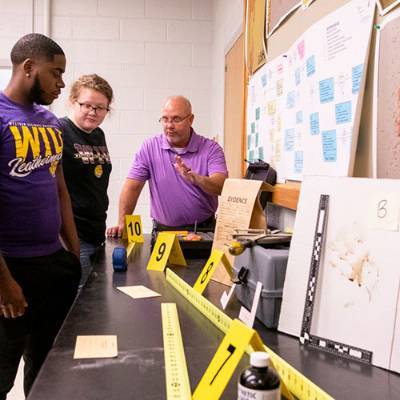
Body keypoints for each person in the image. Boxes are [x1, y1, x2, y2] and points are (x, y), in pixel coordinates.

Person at [0, 33, 81, 399]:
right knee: (3, 370)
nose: (62, 83)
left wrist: (74, 256)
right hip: (10, 268)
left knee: (48, 366)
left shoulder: (50, 122)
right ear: (29, 68)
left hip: (53, 264)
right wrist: (4, 282)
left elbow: (59, 189)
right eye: (56, 73)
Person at [107, 95, 228, 238]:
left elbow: (222, 187)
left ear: (191, 119)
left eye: (176, 119)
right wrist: (122, 223)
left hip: (204, 231)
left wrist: (196, 179)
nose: (169, 125)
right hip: (163, 232)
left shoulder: (211, 149)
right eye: (165, 119)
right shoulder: (149, 147)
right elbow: (132, 188)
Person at [60, 74, 113, 284]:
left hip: (97, 232)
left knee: (95, 300)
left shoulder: (98, 135)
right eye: (87, 105)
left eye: (101, 108)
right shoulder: (59, 131)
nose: (93, 112)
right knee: (78, 305)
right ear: (73, 101)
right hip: (73, 236)